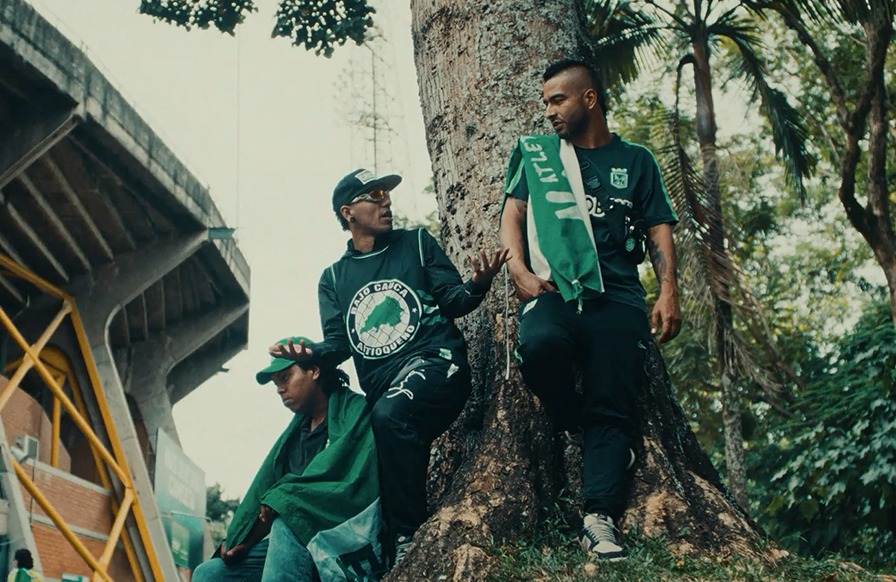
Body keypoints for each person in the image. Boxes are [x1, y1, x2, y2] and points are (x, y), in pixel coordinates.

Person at [271, 170, 507, 567]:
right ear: (348, 212)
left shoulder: (416, 244)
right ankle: (380, 552)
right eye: (376, 194)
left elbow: (453, 300)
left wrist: (478, 284)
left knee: (389, 415)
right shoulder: (333, 278)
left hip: (437, 364)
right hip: (388, 393)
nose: (387, 201)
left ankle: (407, 536)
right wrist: (309, 353)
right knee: (376, 442)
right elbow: (339, 344)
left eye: (388, 194)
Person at [499, 58, 682, 561]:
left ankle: (599, 520)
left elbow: (659, 227)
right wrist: (518, 269)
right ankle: (574, 421)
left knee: (613, 406)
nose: (549, 112)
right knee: (538, 348)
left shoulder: (637, 160)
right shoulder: (540, 157)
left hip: (619, 300)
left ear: (589, 99)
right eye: (545, 103)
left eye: (557, 100)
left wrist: (669, 291)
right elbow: (512, 214)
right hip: (556, 294)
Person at [192, 337, 379, 582]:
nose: (280, 389)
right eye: (276, 383)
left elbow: (340, 486)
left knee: (287, 519)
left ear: (314, 371)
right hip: (299, 540)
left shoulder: (354, 411)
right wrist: (242, 539)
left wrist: (285, 501)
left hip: (342, 535)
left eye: (286, 377)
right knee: (208, 574)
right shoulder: (296, 434)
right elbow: (268, 493)